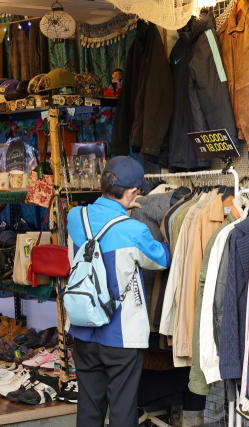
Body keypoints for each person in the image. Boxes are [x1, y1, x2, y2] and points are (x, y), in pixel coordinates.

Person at [66, 156, 171, 427]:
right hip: (121, 335)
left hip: (82, 329)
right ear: (131, 193)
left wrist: (120, 210)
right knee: (123, 411)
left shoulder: (75, 217)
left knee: (89, 407)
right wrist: (129, 216)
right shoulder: (134, 229)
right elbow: (161, 259)